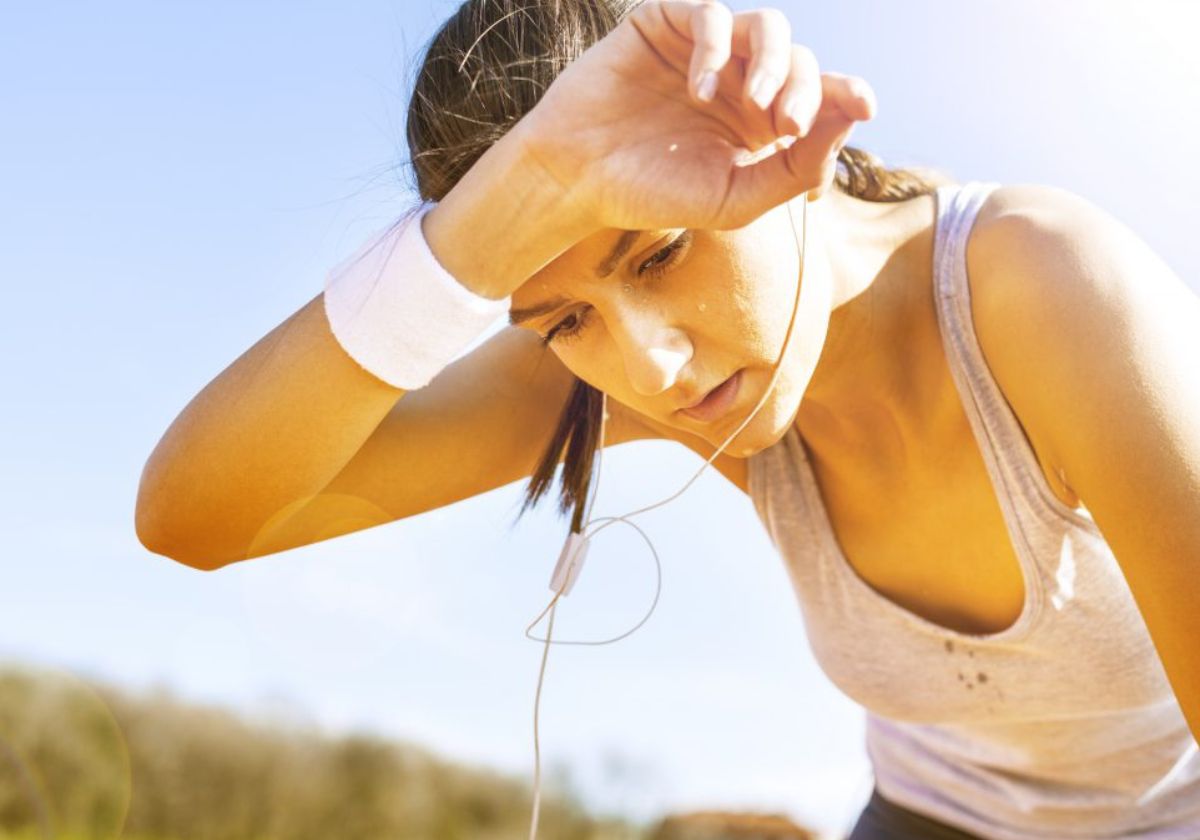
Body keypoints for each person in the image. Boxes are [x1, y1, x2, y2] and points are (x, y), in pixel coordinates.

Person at [134, 0, 1200, 836]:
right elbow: (195, 517)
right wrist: (465, 248)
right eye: (561, 320)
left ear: (768, 139)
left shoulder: (1044, 285)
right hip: (935, 819)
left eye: (660, 252)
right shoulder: (621, 373)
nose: (650, 365)